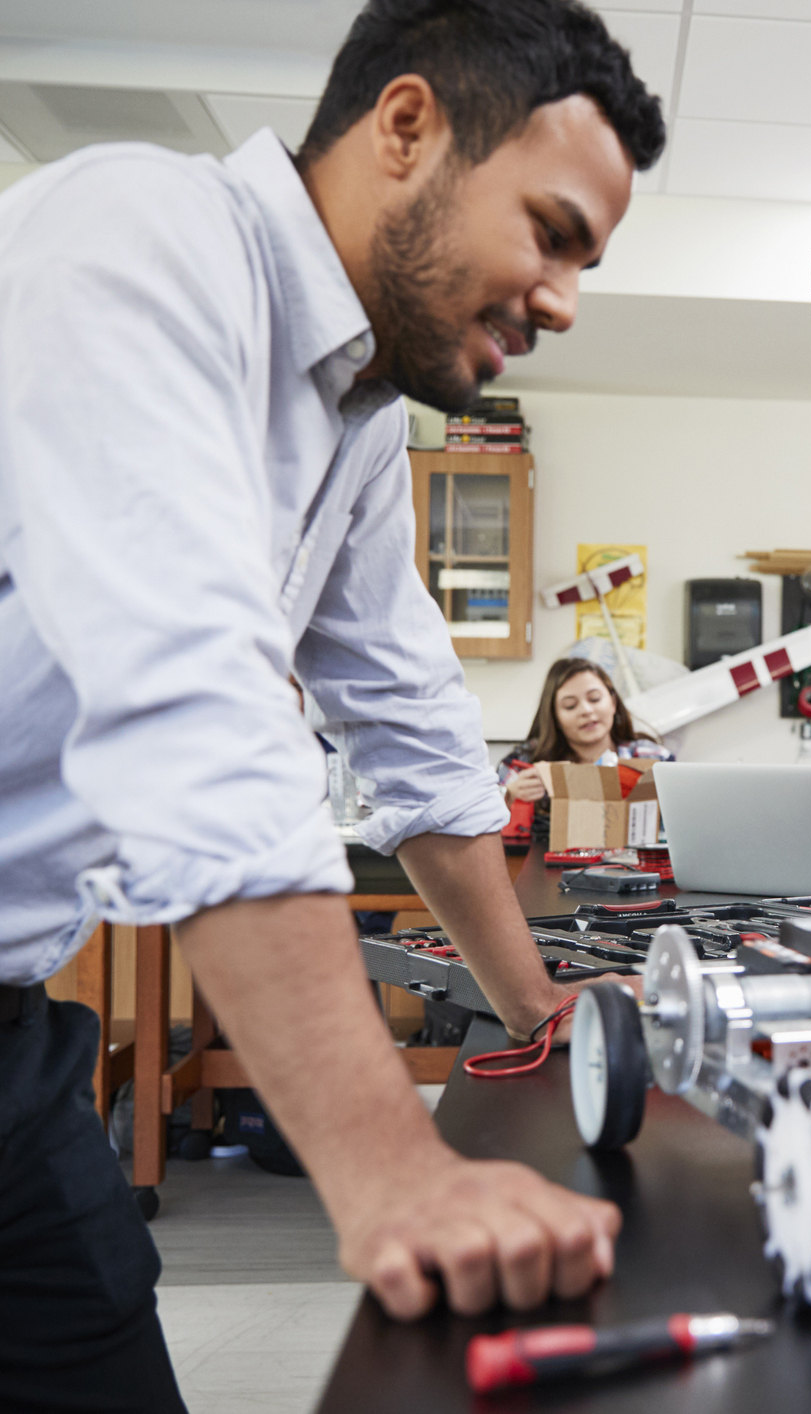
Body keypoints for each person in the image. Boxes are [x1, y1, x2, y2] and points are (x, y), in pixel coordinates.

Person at [0, 1, 666, 1405]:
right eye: (550, 232)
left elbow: (410, 716)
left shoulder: (356, 417)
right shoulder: (141, 235)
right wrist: (386, 1170)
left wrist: (533, 1002)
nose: (561, 301)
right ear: (407, 127)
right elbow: (193, 707)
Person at [500, 657, 672, 841]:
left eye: (595, 699)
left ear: (613, 702)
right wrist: (509, 794)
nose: (586, 710)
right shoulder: (524, 762)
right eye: (570, 705)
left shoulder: (653, 758)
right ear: (555, 716)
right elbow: (480, 819)